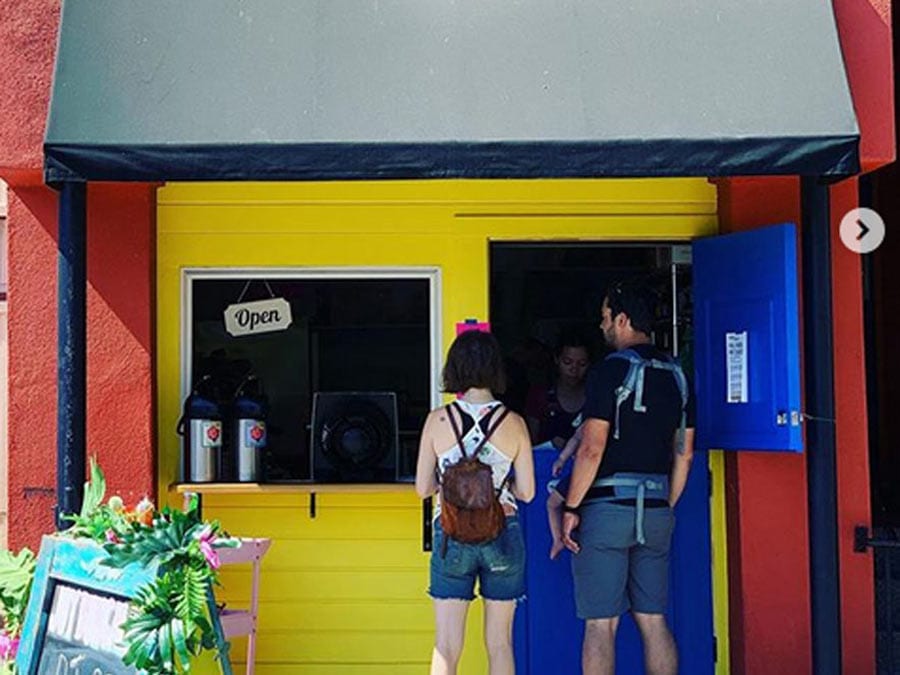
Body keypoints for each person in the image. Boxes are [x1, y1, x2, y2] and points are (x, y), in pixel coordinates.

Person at [561, 281, 695, 675]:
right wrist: (665, 505)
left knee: (601, 625)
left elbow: (592, 448)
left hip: (608, 509)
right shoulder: (677, 375)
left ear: (621, 319)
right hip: (655, 508)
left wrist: (570, 505)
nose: (601, 326)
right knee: (653, 620)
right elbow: (683, 454)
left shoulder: (609, 371)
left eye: (605, 318)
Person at [416, 330, 536, 675]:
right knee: (499, 644)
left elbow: (423, 488)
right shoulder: (514, 423)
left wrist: (455, 485)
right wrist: (498, 482)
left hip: (452, 534)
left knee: (447, 645)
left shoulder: (437, 420)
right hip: (503, 531)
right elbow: (527, 492)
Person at [525, 331, 591, 448]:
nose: (574, 369)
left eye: (582, 364)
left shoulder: (595, 397)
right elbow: (529, 444)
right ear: (557, 360)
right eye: (567, 362)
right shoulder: (540, 396)